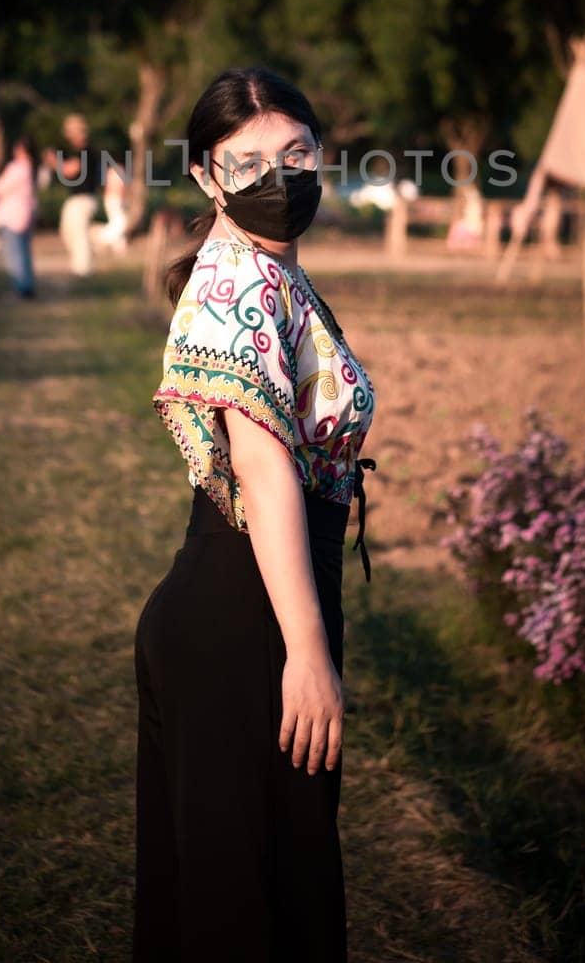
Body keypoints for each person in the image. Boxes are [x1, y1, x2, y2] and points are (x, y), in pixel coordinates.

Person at [133, 67, 377, 962]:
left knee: (246, 888)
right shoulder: (235, 282)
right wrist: (307, 653)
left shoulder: (273, 275)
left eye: (296, 154)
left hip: (253, 605)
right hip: (244, 620)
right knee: (250, 909)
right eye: (248, 163)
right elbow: (266, 472)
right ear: (206, 177)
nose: (279, 178)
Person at [45, 113, 100, 277]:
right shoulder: (79, 151)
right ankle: (81, 264)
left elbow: (69, 170)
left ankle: (83, 268)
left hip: (83, 198)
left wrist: (53, 161)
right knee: (69, 231)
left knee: (79, 233)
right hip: (76, 199)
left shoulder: (86, 151)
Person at [0, 136, 37, 299]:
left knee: (14, 253)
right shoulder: (31, 167)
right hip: (25, 214)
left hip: (13, 216)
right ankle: (27, 286)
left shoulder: (18, 167)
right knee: (23, 252)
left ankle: (21, 288)